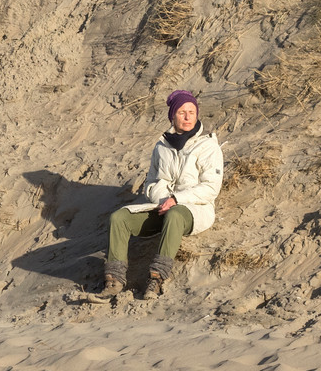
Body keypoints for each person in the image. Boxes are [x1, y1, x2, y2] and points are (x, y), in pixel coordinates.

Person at [90, 90, 224, 302]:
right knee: (119, 218)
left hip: (195, 209)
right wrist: (164, 200)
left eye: (192, 112)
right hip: (161, 207)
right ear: (173, 116)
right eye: (182, 112)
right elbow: (151, 183)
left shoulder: (208, 146)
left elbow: (210, 188)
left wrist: (176, 200)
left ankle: (157, 279)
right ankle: (113, 281)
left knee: (176, 215)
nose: (188, 117)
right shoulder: (161, 146)